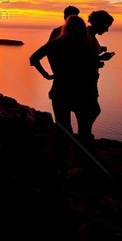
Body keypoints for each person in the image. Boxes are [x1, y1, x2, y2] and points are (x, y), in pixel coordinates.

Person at [30, 14, 98, 166]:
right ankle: (83, 162)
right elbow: (90, 71)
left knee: (63, 129)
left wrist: (47, 75)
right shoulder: (85, 47)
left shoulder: (56, 43)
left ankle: (62, 164)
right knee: (84, 129)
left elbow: (33, 59)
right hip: (81, 92)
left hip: (60, 91)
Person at [81, 10, 116, 140]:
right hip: (85, 82)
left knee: (91, 111)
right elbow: (81, 59)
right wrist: (101, 58)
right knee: (92, 111)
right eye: (106, 26)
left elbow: (88, 55)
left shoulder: (90, 35)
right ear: (100, 23)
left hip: (91, 81)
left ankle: (85, 135)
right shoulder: (87, 36)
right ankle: (84, 136)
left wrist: (99, 53)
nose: (107, 30)